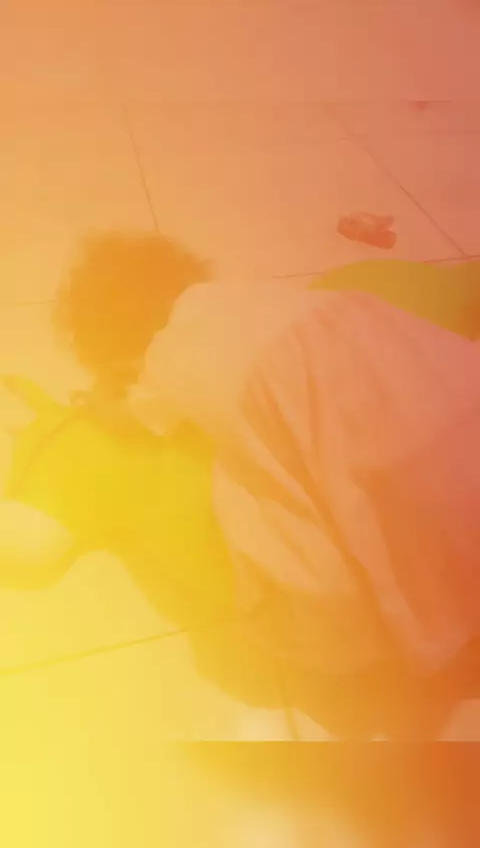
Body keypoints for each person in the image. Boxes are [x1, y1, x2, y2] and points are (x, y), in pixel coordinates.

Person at [55, 235, 480, 736]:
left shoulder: (161, 362)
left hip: (400, 480)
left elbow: (128, 420)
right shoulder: (264, 298)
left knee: (281, 532)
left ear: (121, 358)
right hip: (429, 369)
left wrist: (104, 401)